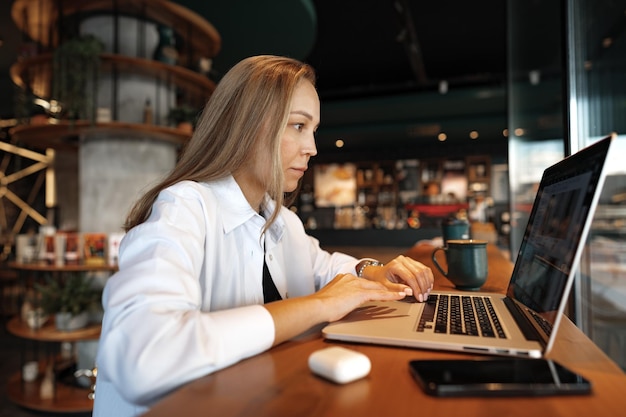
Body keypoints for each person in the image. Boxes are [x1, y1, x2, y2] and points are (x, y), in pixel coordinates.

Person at [93, 55, 434, 417]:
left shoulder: (281, 219)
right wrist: (317, 305)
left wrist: (372, 270)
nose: (312, 148)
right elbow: (145, 357)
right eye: (299, 126)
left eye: (313, 130)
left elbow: (325, 266)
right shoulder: (185, 207)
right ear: (247, 124)